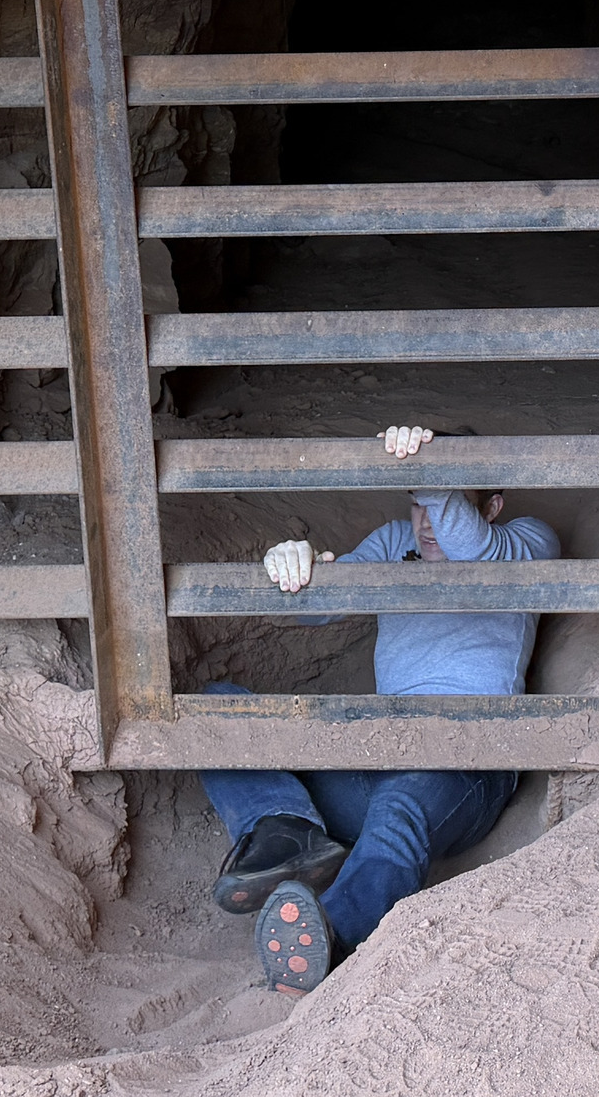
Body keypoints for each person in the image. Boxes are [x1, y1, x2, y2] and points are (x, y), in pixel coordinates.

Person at [202, 424, 560, 994]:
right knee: (217, 709)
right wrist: (290, 569)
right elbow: (313, 611)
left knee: (400, 808)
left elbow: (475, 550)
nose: (427, 522)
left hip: (466, 760)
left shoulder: (530, 539)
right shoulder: (395, 542)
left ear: (491, 507)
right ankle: (284, 831)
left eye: (445, 501)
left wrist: (428, 465)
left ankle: (331, 936)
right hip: (375, 750)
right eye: (417, 503)